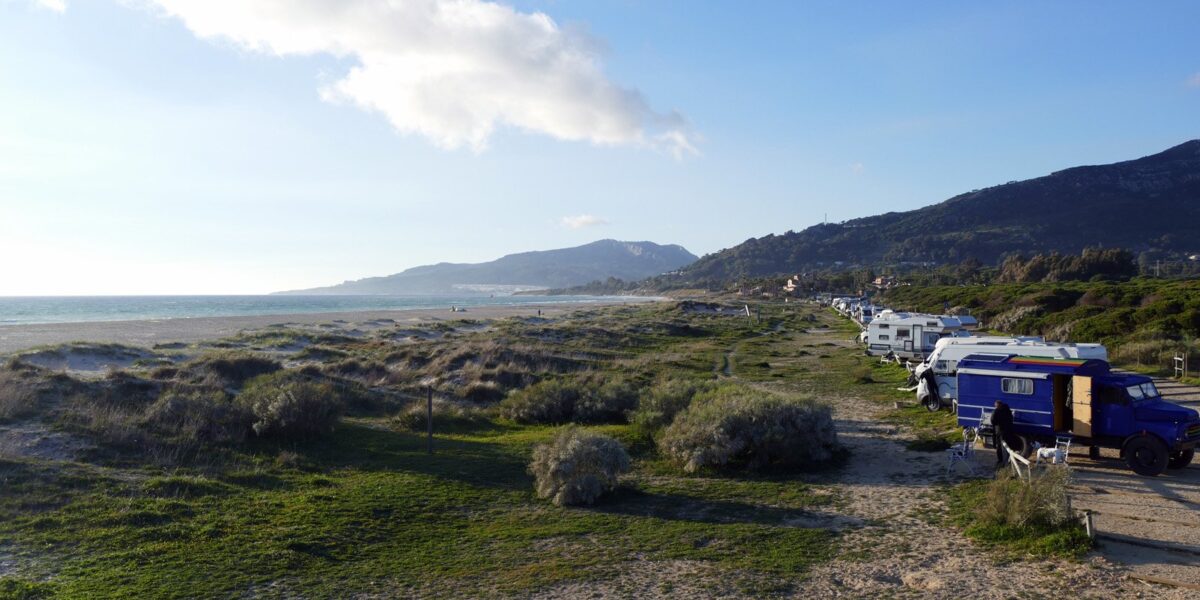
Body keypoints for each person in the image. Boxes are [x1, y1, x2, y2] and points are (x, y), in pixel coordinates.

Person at [993, 400, 1015, 469]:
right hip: (1008, 430)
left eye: (995, 406)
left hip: (1000, 431)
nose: (995, 407)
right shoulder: (1008, 410)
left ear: (997, 405)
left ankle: (1001, 461)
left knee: (1000, 446)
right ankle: (1008, 460)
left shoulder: (997, 411)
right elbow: (1011, 419)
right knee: (1008, 446)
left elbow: (992, 420)